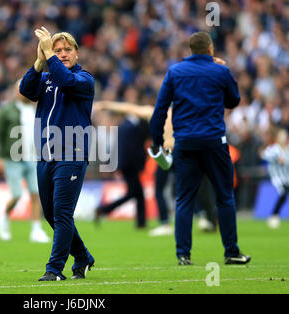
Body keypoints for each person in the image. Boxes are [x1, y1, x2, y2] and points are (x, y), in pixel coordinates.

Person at [149, 32, 251, 265]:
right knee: (224, 197)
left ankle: (183, 254)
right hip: (214, 142)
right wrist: (225, 72)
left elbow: (160, 110)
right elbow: (233, 102)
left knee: (184, 198)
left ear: (191, 50)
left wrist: (157, 142)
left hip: (184, 143)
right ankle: (231, 252)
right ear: (210, 49)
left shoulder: (175, 72)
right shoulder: (220, 71)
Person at [20, 27, 95, 281]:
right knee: (51, 215)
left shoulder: (84, 78)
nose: (61, 54)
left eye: (66, 50)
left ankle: (54, 269)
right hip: (45, 155)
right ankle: (83, 256)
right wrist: (39, 62)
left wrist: (50, 56)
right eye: (57, 50)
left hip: (72, 153)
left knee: (62, 214)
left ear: (76, 52)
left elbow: (67, 81)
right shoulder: (47, 78)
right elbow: (26, 90)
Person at [0, 81, 50, 243]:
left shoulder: (36, 108)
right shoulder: (7, 110)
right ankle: (3, 216)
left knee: (35, 194)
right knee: (17, 194)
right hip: (13, 158)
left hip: (33, 157)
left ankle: (36, 230)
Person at [92, 102, 151, 229]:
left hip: (126, 165)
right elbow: (128, 149)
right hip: (129, 165)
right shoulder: (130, 127)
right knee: (136, 193)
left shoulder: (126, 125)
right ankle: (104, 210)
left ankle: (105, 210)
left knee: (134, 193)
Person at [260, 126, 289, 229]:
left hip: (287, 177)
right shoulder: (275, 149)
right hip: (277, 177)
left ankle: (274, 215)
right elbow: (263, 154)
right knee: (283, 194)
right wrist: (276, 159)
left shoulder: (287, 149)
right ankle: (273, 215)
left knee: (284, 196)